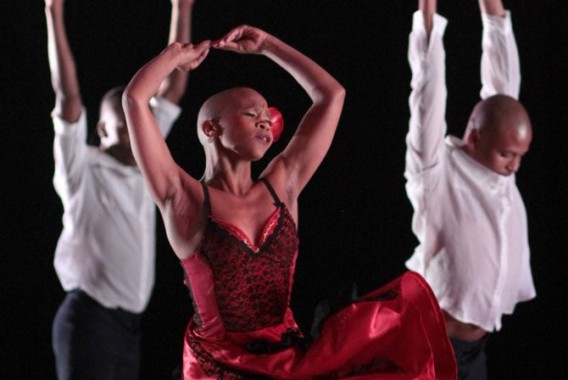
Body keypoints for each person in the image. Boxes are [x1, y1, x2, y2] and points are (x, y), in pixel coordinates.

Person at [123, 23, 457, 379]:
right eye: (252, 114)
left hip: (288, 360)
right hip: (220, 367)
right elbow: (135, 100)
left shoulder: (282, 185)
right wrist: (174, 56)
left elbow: (331, 95)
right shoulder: (184, 198)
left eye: (268, 116)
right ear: (211, 129)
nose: (265, 121)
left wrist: (269, 46)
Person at [45, 0, 196, 378]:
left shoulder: (146, 159)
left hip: (130, 326)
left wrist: (182, 8)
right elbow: (68, 99)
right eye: (122, 126)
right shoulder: (82, 167)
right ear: (101, 130)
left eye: (137, 125)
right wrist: (54, 12)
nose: (134, 135)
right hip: (89, 318)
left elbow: (173, 88)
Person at [404, 0, 536, 378]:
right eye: (508, 154)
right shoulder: (435, 172)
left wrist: (492, 8)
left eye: (521, 156)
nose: (514, 166)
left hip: (475, 350)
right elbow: (426, 95)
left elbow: (502, 79)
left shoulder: (502, 168)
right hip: (431, 347)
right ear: (475, 136)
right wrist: (427, 12)